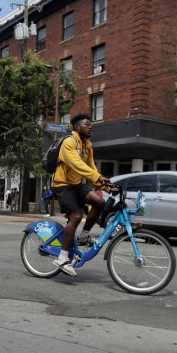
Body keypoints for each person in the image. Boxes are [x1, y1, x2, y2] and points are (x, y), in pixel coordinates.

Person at [51, 114, 111, 277]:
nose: (90, 126)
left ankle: (83, 236)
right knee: (76, 215)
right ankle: (62, 258)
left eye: (91, 124)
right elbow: (76, 165)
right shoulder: (69, 142)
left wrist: (108, 188)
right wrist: (97, 177)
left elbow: (92, 170)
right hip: (62, 184)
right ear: (77, 127)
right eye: (87, 124)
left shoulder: (87, 146)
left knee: (99, 201)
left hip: (76, 184)